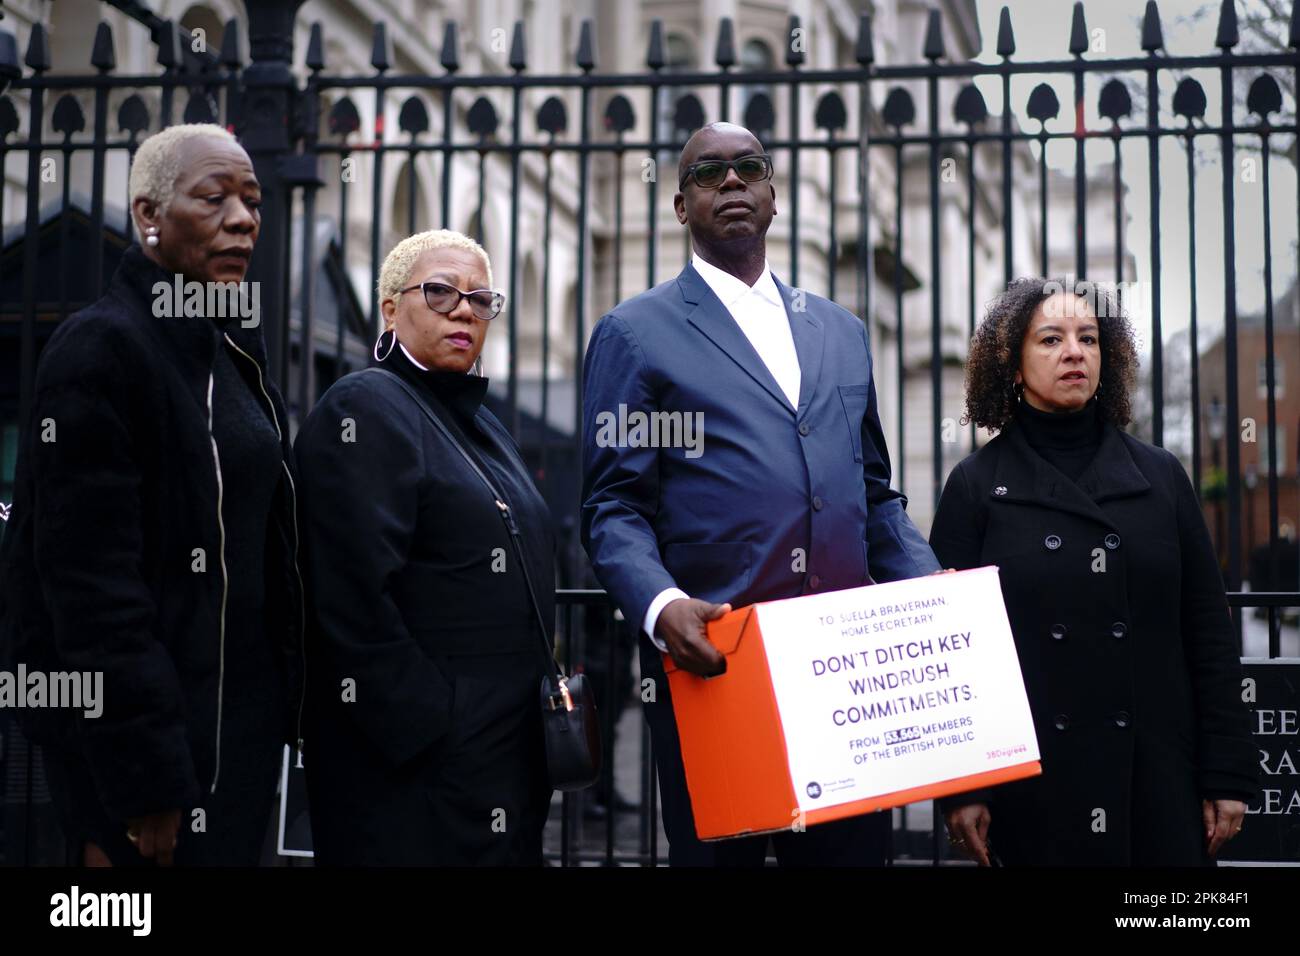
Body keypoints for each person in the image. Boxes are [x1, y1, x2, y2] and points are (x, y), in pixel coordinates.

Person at [580, 122, 940, 866]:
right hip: (717, 663)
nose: (733, 182)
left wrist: (932, 588)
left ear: (774, 195)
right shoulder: (634, 334)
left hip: (843, 675)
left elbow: (875, 493)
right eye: (709, 174)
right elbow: (614, 506)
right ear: (680, 206)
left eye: (750, 168)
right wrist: (659, 605)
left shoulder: (841, 333)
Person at [0, 123, 303, 866]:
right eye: (216, 198)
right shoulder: (102, 347)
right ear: (148, 217)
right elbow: (89, 589)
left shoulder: (234, 351)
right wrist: (142, 775)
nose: (243, 219)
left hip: (240, 750)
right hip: (145, 774)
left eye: (253, 202)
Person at [930, 277, 1259, 866]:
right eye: (1051, 339)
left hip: (1157, 779)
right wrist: (962, 787)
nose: (1074, 352)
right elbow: (951, 655)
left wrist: (1228, 772)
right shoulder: (975, 485)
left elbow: (1209, 633)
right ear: (1012, 362)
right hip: (1032, 785)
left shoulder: (1161, 476)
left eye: (1088, 338)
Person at [295, 229, 555, 865]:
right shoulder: (365, 406)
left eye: (480, 298)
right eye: (439, 292)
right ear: (390, 308)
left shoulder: (480, 423)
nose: (464, 310)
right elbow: (346, 598)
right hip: (420, 777)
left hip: (501, 764)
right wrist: (435, 726)